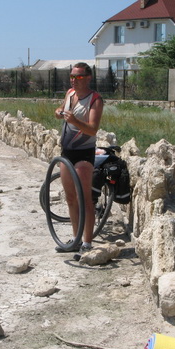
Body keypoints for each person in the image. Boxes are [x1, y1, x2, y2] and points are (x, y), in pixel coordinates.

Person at [54, 62, 104, 258]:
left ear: (88, 78)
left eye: (79, 77)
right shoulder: (70, 93)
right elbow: (60, 109)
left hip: (84, 153)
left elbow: (92, 129)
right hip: (67, 152)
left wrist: (75, 121)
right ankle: (75, 240)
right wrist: (59, 112)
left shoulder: (95, 100)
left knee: (84, 198)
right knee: (70, 198)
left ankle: (87, 243)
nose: (74, 80)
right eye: (72, 76)